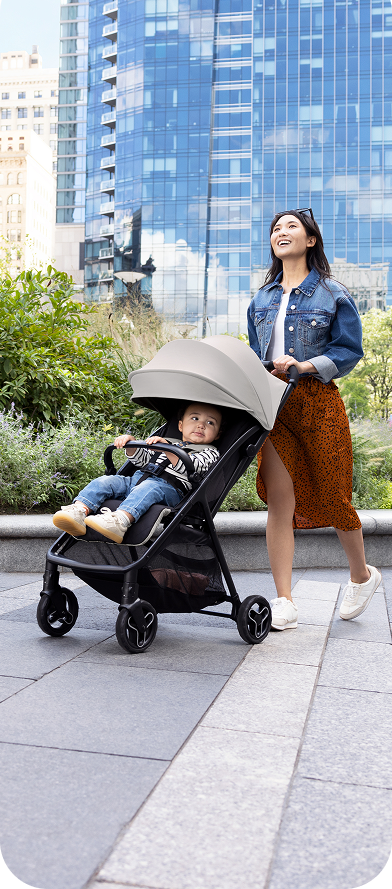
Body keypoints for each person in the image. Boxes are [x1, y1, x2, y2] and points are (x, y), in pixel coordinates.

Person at [247, 208, 381, 631]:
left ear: (310, 241)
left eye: (291, 227)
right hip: (273, 406)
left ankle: (361, 575)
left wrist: (304, 365)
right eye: (275, 229)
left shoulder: (332, 294)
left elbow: (348, 351)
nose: (280, 232)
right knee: (280, 502)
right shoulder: (261, 299)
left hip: (317, 402)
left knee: (334, 492)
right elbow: (254, 354)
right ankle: (284, 599)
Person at [52, 402, 222, 544]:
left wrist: (168, 449)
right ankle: (79, 511)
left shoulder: (210, 452)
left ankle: (119, 521)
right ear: (180, 425)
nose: (201, 425)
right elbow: (143, 460)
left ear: (217, 434)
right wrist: (131, 444)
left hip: (170, 490)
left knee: (150, 487)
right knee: (106, 481)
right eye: (195, 418)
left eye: (210, 423)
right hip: (137, 479)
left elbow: (193, 467)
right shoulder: (168, 442)